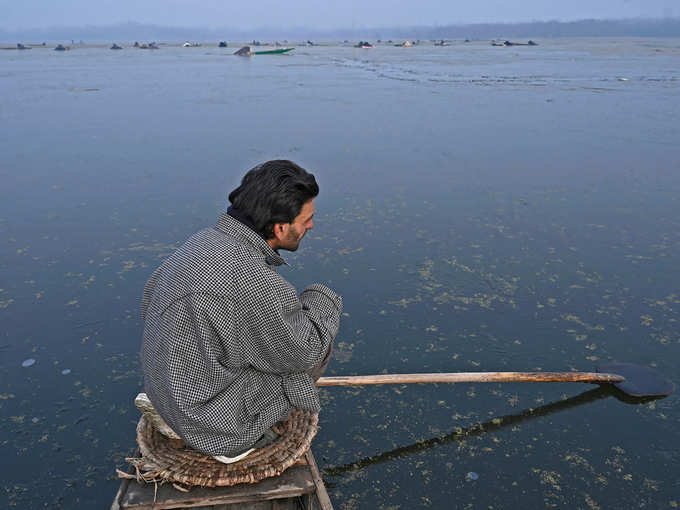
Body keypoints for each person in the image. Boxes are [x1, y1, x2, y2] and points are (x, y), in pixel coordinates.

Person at [140, 160, 342, 459]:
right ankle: (240, 439)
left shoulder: (201, 242)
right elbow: (304, 352)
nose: (310, 225)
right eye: (306, 219)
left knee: (252, 338)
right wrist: (321, 298)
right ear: (281, 227)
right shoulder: (252, 281)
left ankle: (178, 415)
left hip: (169, 391)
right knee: (317, 343)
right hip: (210, 421)